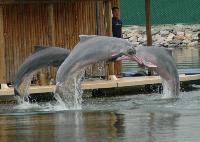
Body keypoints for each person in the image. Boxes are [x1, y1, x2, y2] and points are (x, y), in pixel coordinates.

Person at [112, 7, 122, 77]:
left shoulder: (120, 21)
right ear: (112, 12)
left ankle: (118, 72)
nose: (117, 13)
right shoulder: (111, 21)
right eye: (115, 11)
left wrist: (122, 40)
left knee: (119, 57)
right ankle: (114, 73)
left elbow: (120, 32)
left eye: (118, 11)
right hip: (113, 42)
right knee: (114, 57)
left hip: (119, 42)